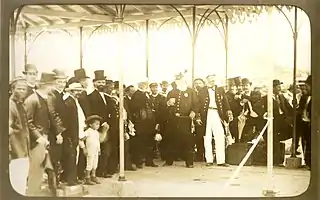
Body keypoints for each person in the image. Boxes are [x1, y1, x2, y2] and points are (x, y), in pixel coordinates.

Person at [24, 72, 56, 196]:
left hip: (45, 139)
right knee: (36, 172)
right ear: (46, 85)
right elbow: (28, 122)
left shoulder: (47, 99)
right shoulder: (32, 100)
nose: (53, 88)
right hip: (37, 142)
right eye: (51, 85)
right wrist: (39, 137)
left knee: (48, 170)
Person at [164, 72, 199, 168]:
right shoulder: (172, 92)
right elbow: (165, 105)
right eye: (177, 80)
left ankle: (189, 162)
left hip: (186, 119)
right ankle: (169, 161)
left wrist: (193, 112)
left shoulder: (191, 91)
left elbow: (196, 104)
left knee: (188, 141)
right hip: (173, 119)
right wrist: (168, 104)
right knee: (171, 139)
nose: (179, 82)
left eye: (181, 80)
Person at [196, 74, 232, 167]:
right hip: (206, 114)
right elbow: (198, 104)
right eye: (210, 80)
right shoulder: (202, 90)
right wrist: (198, 116)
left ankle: (221, 160)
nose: (212, 82)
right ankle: (209, 160)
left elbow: (225, 102)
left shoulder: (220, 89)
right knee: (207, 136)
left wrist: (228, 111)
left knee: (220, 135)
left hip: (217, 113)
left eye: (213, 80)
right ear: (206, 81)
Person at [62, 80, 88, 186]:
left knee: (74, 156)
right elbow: (70, 121)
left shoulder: (74, 101)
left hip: (75, 133)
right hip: (71, 134)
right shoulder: (69, 102)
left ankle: (72, 178)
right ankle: (71, 180)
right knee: (71, 157)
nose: (78, 93)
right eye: (76, 91)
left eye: (79, 91)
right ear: (71, 91)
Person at [9, 77, 30, 195]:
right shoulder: (10, 105)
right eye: (19, 88)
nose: (22, 91)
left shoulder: (20, 104)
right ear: (12, 89)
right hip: (16, 150)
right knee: (17, 181)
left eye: (24, 89)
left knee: (22, 180)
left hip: (23, 148)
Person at [47, 69, 68, 187]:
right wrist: (58, 132)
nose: (61, 84)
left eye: (63, 81)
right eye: (59, 81)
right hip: (54, 131)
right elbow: (52, 114)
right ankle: (53, 183)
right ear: (55, 82)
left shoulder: (61, 95)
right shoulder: (52, 94)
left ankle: (57, 181)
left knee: (59, 156)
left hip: (62, 130)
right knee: (55, 156)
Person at [131, 79, 158, 168]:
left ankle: (149, 160)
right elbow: (135, 107)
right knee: (140, 142)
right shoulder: (137, 95)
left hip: (149, 121)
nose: (145, 86)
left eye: (146, 84)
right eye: (143, 84)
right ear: (140, 85)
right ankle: (139, 161)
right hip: (141, 122)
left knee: (149, 141)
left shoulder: (146, 94)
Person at [82, 115, 104, 185]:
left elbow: (97, 142)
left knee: (95, 164)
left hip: (95, 151)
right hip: (90, 151)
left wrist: (99, 149)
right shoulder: (88, 131)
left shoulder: (96, 133)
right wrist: (84, 148)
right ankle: (87, 178)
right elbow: (81, 139)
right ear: (90, 124)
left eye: (99, 124)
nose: (98, 126)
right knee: (89, 164)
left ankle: (93, 176)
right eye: (96, 124)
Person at [297, 75, 311, 170]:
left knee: (310, 143)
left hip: (311, 123)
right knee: (304, 141)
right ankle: (306, 161)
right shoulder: (304, 97)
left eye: (307, 86)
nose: (305, 88)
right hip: (304, 123)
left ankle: (310, 162)